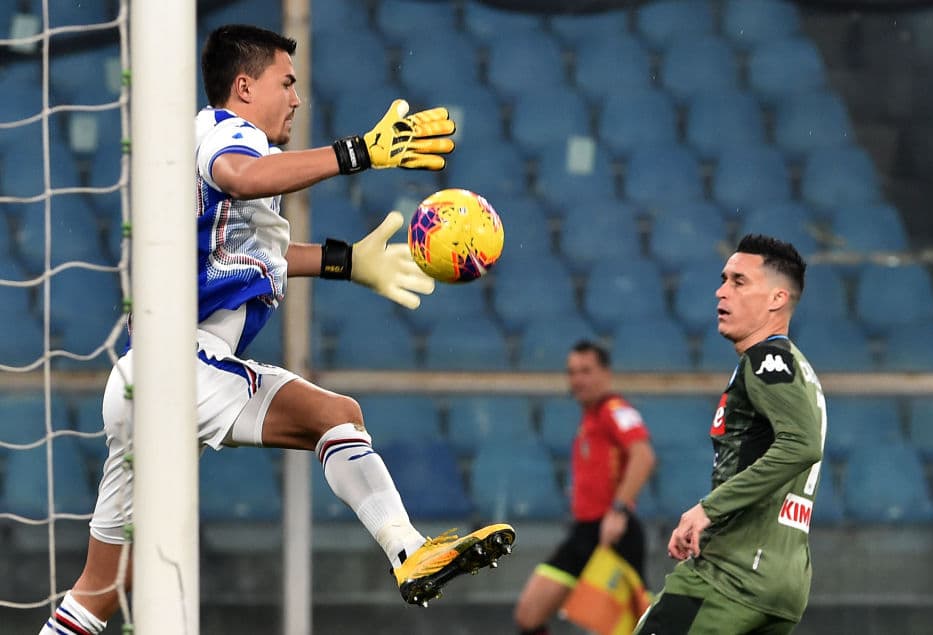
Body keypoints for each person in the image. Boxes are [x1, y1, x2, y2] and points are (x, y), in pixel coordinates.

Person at [38, 24, 515, 635]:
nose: (296, 98)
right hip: (179, 364)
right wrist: (358, 152)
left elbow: (245, 252)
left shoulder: (206, 146)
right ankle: (408, 551)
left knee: (102, 588)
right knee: (334, 413)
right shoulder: (225, 134)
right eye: (286, 83)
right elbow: (240, 174)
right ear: (244, 86)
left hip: (140, 381)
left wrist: (345, 262)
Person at [632, 234, 826, 635]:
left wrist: (708, 509)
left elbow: (802, 443)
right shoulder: (798, 368)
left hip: (731, 573)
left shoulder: (767, 359)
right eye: (724, 279)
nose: (721, 291)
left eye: (739, 281)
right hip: (781, 582)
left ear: (776, 299)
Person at [514, 340, 657, 635]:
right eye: (572, 372)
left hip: (614, 533)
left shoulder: (614, 410)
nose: (577, 379)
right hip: (585, 533)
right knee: (529, 615)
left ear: (605, 373)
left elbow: (643, 456)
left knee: (633, 626)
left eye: (586, 371)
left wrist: (617, 511)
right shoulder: (589, 418)